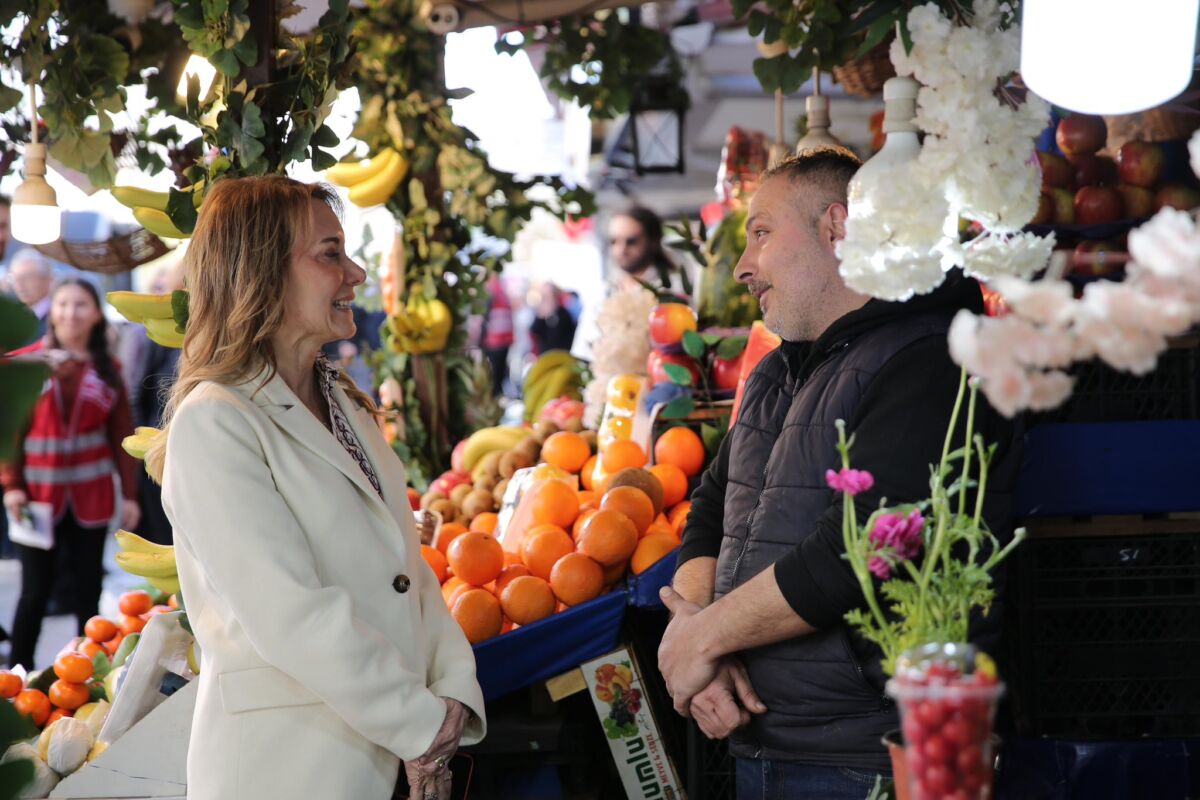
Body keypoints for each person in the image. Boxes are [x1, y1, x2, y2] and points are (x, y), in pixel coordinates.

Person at [656, 149, 1020, 799]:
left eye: (762, 233)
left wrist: (700, 639)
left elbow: (859, 552)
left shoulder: (929, 361)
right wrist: (695, 637)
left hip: (869, 760)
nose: (743, 267)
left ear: (837, 228)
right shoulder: (774, 374)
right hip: (762, 744)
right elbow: (710, 509)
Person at [151, 176, 485, 800]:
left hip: (377, 756)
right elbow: (289, 612)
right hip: (286, 772)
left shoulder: (343, 404)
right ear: (262, 273)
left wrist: (453, 690)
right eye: (331, 254)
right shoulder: (215, 421)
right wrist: (420, 725)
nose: (356, 273)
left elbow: (406, 567)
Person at [2, 278, 141, 670]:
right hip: (36, 498)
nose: (70, 313)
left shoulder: (108, 370)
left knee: (87, 591)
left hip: (90, 498)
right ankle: (19, 676)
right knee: (34, 593)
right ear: (51, 311)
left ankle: (88, 674)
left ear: (96, 314)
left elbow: (122, 436)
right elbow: (8, 428)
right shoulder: (25, 363)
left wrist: (129, 495)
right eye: (63, 304)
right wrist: (11, 486)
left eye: (81, 305)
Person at [607, 206, 693, 298]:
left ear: (653, 241)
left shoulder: (673, 288)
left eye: (631, 241)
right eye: (614, 241)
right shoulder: (607, 288)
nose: (621, 249)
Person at [8, 248, 54, 344]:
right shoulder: (14, 318)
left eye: (27, 277)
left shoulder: (61, 317)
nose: (20, 285)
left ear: (47, 279)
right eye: (15, 278)